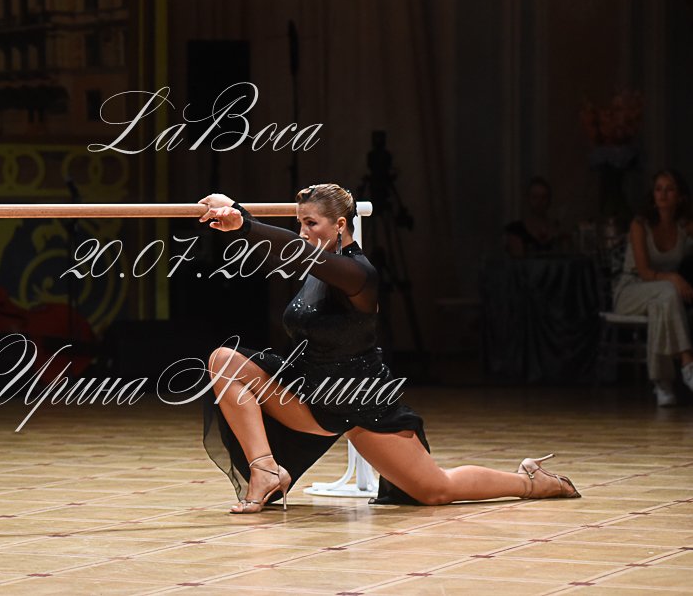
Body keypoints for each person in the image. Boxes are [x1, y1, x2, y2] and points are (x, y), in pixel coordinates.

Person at [197, 183, 580, 513]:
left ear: (341, 225)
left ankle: (530, 481)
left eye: (311, 223)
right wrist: (236, 212)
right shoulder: (318, 269)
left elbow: (299, 253)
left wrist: (242, 222)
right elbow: (296, 252)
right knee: (224, 360)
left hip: (360, 400)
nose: (303, 232)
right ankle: (265, 470)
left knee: (435, 490)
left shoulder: (359, 274)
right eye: (300, 223)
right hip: (309, 394)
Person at [612, 169, 693, 406]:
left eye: (669, 189)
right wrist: (674, 278)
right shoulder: (640, 224)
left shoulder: (683, 227)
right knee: (668, 291)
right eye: (658, 189)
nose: (663, 194)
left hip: (663, 296)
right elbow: (645, 272)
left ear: (680, 197)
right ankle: (688, 363)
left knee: (662, 303)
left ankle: (662, 384)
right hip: (631, 290)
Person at [504, 177, 564, 256]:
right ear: (528, 199)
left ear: (549, 200)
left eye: (544, 197)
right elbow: (518, 258)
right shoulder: (516, 229)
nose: (539, 202)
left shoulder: (557, 229)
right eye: (535, 197)